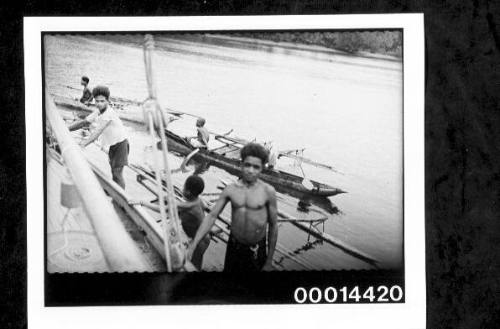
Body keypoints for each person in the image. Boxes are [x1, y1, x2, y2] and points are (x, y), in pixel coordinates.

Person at [187, 142, 278, 272]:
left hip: (257, 249)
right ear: (241, 165)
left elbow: (274, 226)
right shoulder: (230, 190)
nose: (251, 170)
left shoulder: (268, 192)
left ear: (262, 168)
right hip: (234, 247)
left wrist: (269, 261)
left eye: (256, 167)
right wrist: (194, 243)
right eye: (247, 165)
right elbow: (212, 216)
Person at [129, 175, 211, 270]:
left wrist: (142, 202)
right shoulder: (199, 201)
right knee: (196, 262)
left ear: (188, 192)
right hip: (205, 238)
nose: (182, 189)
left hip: (200, 242)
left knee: (193, 266)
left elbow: (162, 210)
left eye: (183, 187)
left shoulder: (187, 206)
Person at [69, 85, 129, 189]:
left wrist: (83, 144)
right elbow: (84, 122)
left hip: (121, 144)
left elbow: (97, 132)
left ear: (108, 101)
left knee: (117, 173)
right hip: (113, 144)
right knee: (113, 170)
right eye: (96, 101)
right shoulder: (98, 111)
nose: (99, 104)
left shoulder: (109, 114)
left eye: (102, 101)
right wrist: (67, 128)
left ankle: (121, 199)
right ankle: (116, 191)